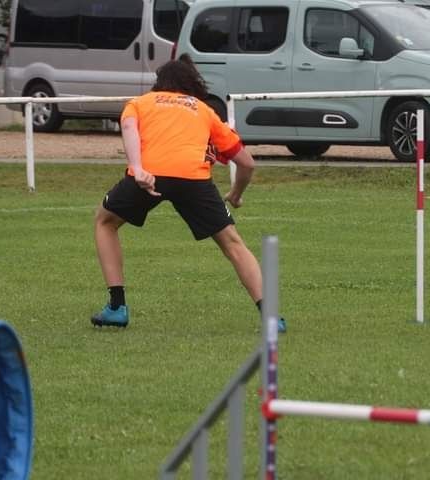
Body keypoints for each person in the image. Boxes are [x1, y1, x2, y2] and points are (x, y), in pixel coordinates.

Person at [91, 54, 286, 332]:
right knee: (233, 244)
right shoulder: (203, 110)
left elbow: (128, 126)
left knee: (105, 222)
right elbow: (247, 163)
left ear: (160, 83)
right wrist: (236, 193)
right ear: (191, 84)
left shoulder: (140, 103)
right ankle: (269, 316)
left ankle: (117, 307)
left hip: (149, 175)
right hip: (193, 178)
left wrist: (137, 168)